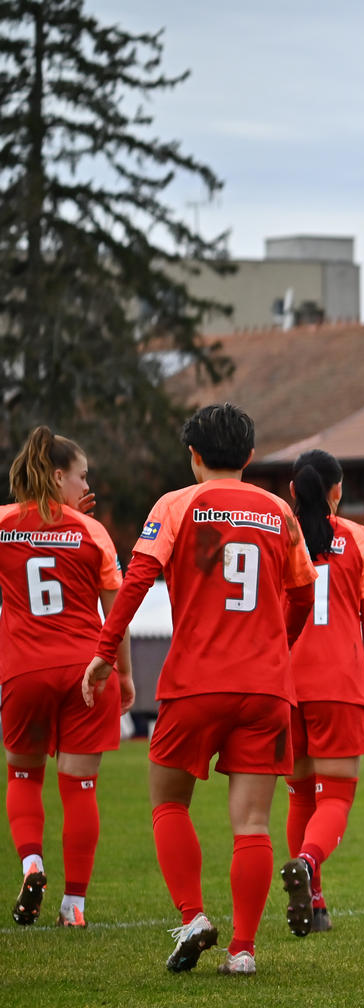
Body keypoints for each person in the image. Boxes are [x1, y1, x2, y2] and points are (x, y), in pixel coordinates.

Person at [84, 403, 320, 975]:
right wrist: (276, 650)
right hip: (265, 689)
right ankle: (243, 950)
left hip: (195, 682)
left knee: (168, 801)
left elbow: (135, 583)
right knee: (254, 823)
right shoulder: (278, 511)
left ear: (193, 456)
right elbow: (305, 596)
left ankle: (193, 917)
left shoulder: (175, 504)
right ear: (250, 456)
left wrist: (102, 656)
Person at [1, 428, 133, 928]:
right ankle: (73, 906)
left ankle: (32, 864)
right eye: (81, 475)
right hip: (86, 672)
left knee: (23, 775)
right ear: (58, 476)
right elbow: (114, 613)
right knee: (80, 789)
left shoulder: (3, 524)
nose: (86, 483)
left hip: (25, 671)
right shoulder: (91, 531)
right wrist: (123, 674)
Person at [280, 449, 364, 936]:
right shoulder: (355, 538)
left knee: (299, 794)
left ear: (293, 490)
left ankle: (315, 902)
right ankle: (310, 865)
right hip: (338, 679)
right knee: (334, 795)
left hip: (286, 680)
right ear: (336, 491)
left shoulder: (277, 531)